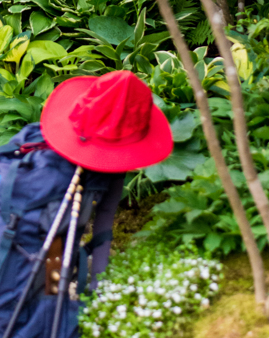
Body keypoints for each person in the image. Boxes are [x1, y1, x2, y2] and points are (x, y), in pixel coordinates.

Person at [39, 68, 173, 287]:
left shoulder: (34, 142)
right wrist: (98, 286)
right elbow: (104, 219)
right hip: (46, 259)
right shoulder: (109, 168)